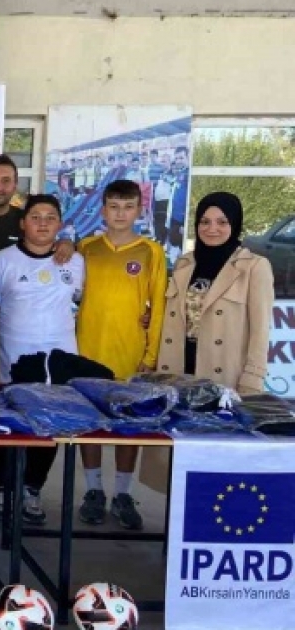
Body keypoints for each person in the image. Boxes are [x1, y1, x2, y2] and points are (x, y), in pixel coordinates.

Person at [0, 195, 85, 526]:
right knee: (7, 426)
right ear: (22, 223)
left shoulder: (75, 261)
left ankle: (32, 489)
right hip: (11, 359)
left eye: (50, 217)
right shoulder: (2, 261)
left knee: (48, 427)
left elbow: (84, 302)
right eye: (35, 217)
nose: (43, 223)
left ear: (60, 224)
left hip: (59, 362)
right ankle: (3, 488)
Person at [75, 180, 166, 531]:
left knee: (129, 426)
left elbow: (158, 308)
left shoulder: (151, 252)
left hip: (131, 354)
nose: (120, 214)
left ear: (139, 211)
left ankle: (123, 494)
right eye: (113, 207)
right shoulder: (86, 248)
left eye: (128, 207)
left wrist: (151, 355)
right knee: (92, 424)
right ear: (103, 210)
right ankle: (94, 490)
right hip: (88, 351)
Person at [159, 192, 272, 392]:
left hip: (224, 373)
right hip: (178, 368)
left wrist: (253, 378)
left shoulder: (254, 266)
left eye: (222, 222)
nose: (212, 229)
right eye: (205, 221)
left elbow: (260, 331)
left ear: (234, 224)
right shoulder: (184, 263)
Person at [0, 154, 76, 266]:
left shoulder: (28, 220)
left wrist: (66, 244)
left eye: (6, 181)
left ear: (15, 185)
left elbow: (49, 242)